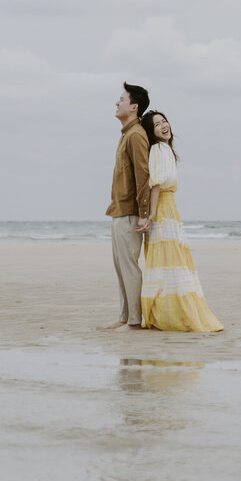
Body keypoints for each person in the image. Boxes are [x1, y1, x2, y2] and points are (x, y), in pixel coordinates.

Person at [136, 110, 223, 332]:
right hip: (163, 210)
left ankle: (169, 314)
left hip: (169, 209)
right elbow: (155, 184)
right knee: (167, 261)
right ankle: (165, 314)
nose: (164, 126)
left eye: (164, 121)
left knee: (168, 261)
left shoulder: (165, 150)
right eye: (157, 124)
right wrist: (151, 214)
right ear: (151, 132)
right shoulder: (157, 149)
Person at [100, 82, 151, 333]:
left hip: (131, 214)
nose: (116, 102)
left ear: (134, 106)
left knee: (129, 267)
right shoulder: (126, 134)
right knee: (120, 268)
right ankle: (124, 317)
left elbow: (143, 176)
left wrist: (144, 215)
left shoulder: (136, 135)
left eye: (121, 99)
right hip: (118, 210)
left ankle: (134, 322)